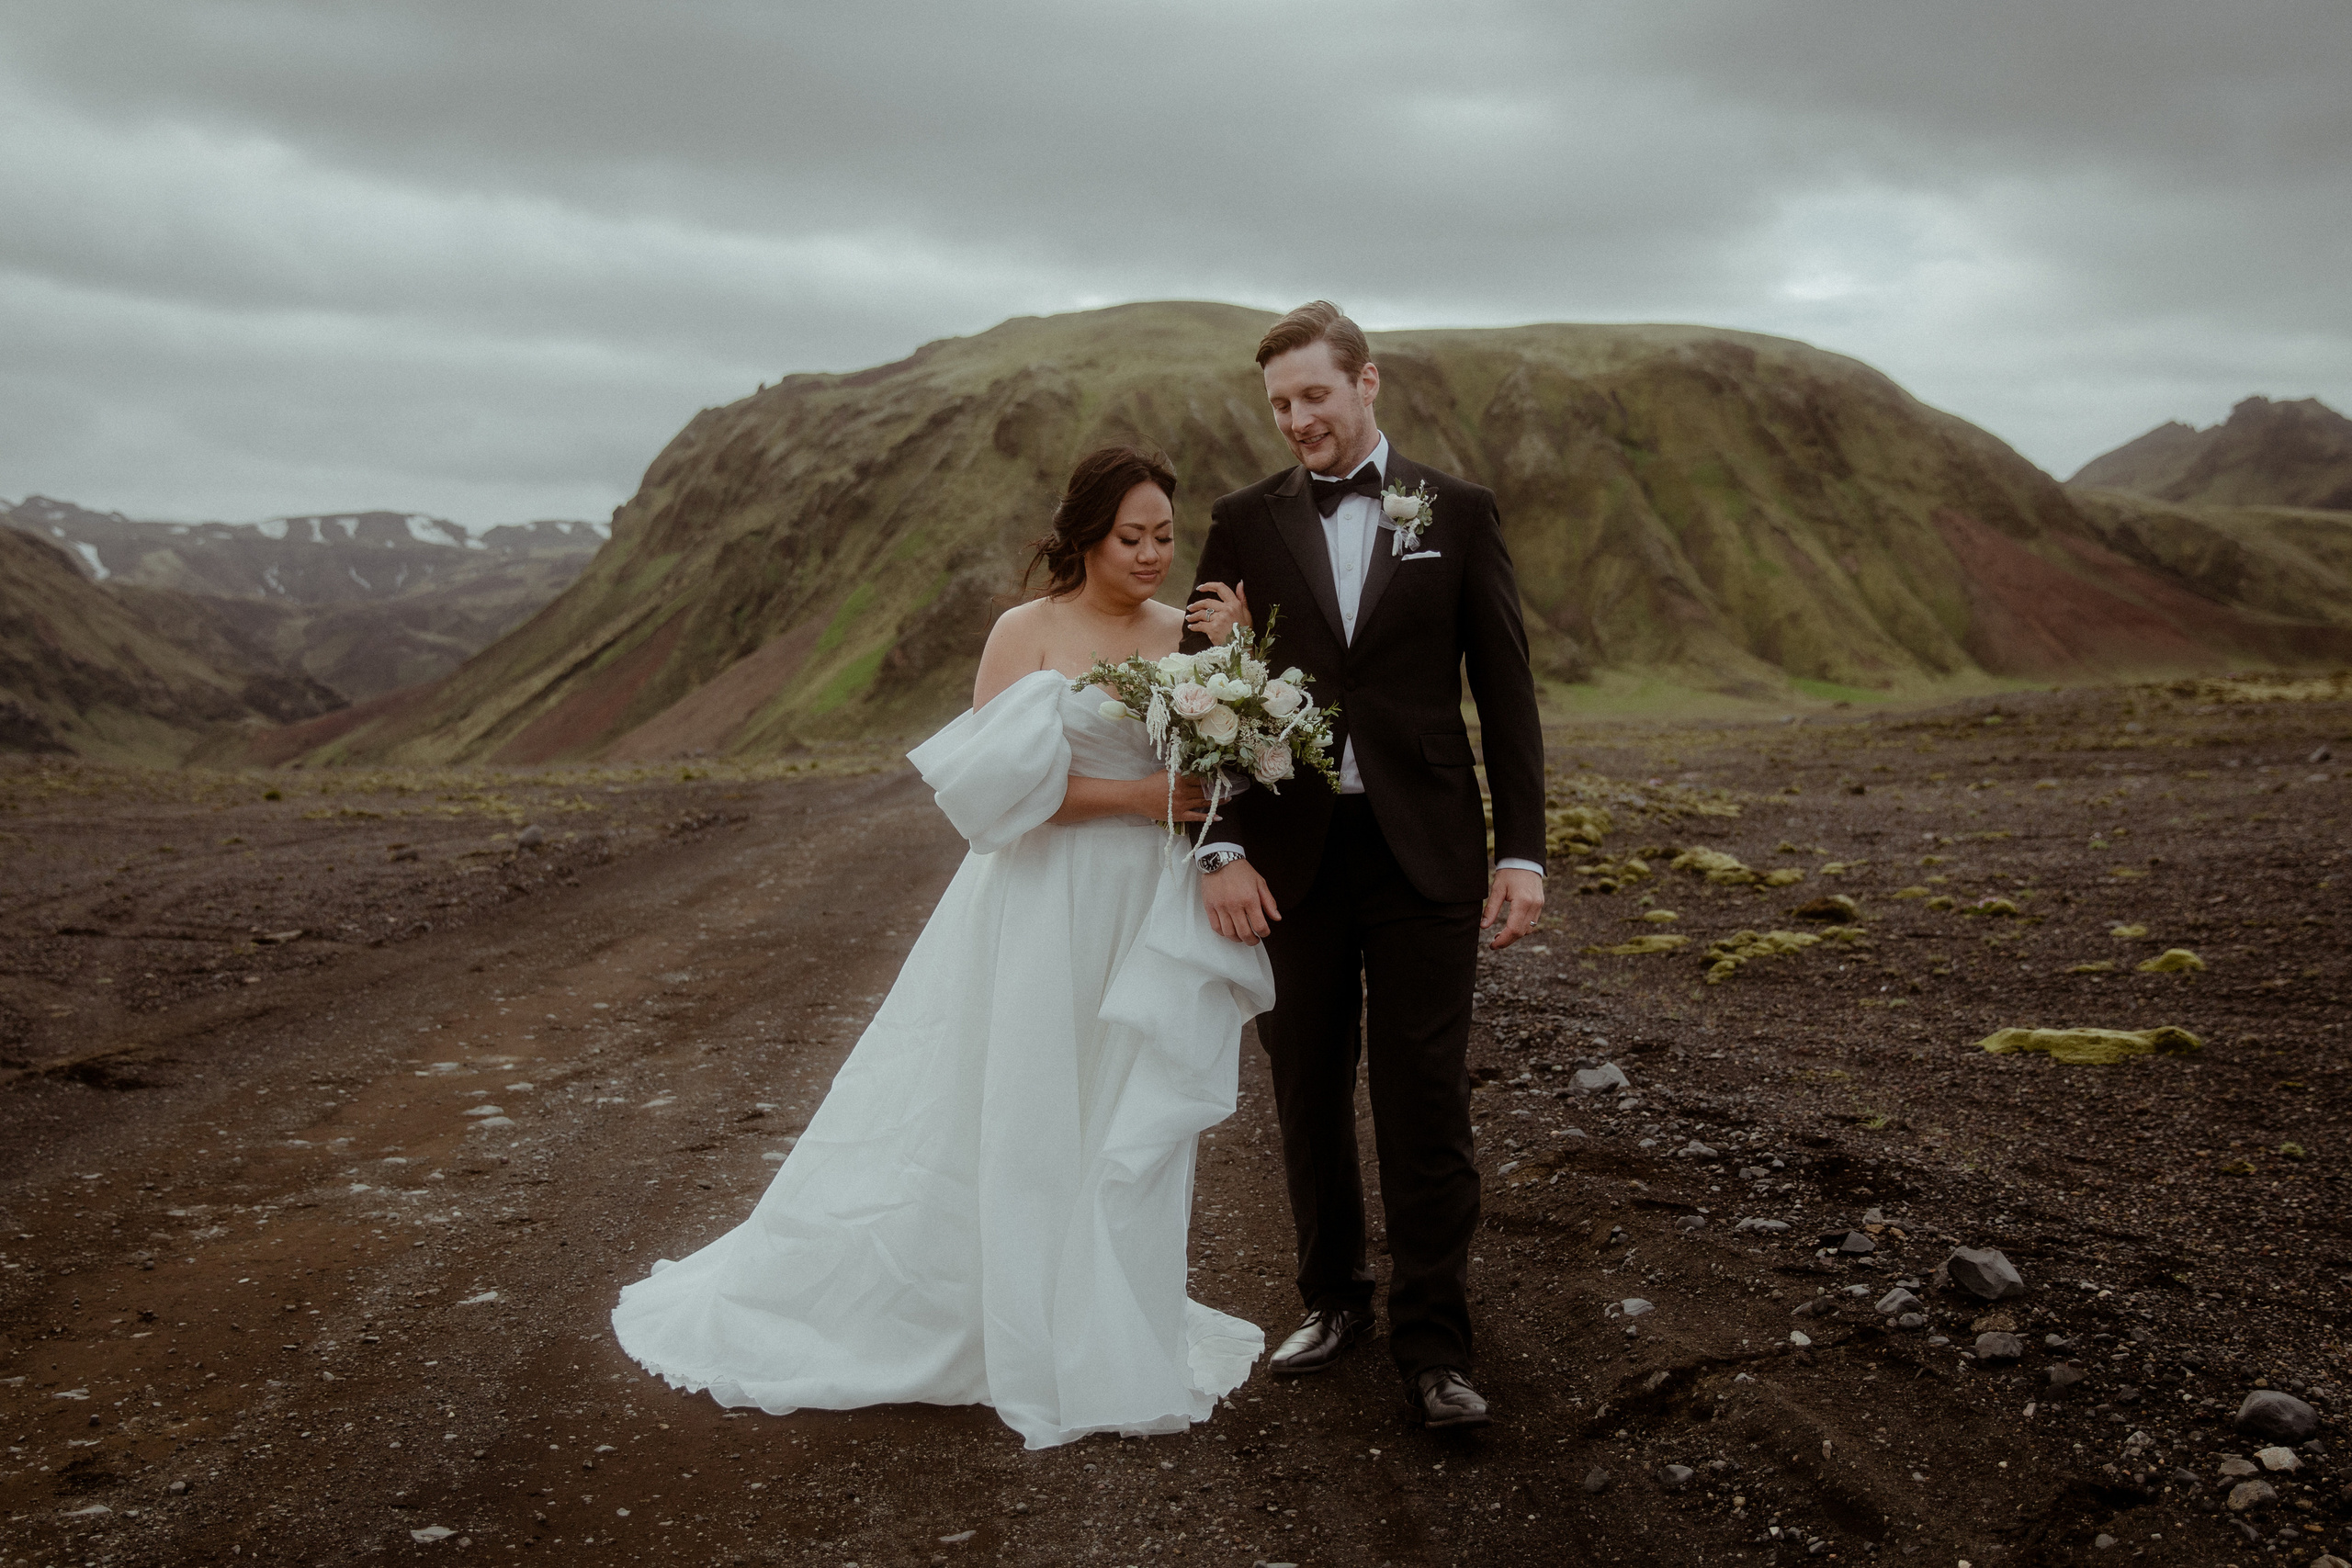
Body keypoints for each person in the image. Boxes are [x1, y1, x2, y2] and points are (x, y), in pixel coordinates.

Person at [612, 446, 1272, 1450]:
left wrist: (1237, 660)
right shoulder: (1028, 631)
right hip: (1042, 904)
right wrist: (1140, 797)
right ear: (1084, 534)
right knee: (1022, 1104)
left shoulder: (1181, 634)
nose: (1150, 556)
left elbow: (1224, 771)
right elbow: (991, 797)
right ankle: (989, 1314)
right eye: (1130, 537)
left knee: (1116, 1112)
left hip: (1144, 907)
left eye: (1164, 539)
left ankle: (1100, 1319)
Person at [1182, 301, 1547, 1429]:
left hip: (1425, 850)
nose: (1297, 420)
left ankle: (1435, 1346)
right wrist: (1220, 845)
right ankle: (1331, 1298)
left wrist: (1522, 853)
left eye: (1314, 397)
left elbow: (1505, 691)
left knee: (1424, 1098)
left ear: (1366, 383)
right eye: (1280, 404)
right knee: (1305, 1087)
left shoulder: (1458, 509)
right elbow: (1199, 700)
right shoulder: (1242, 521)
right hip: (1289, 857)